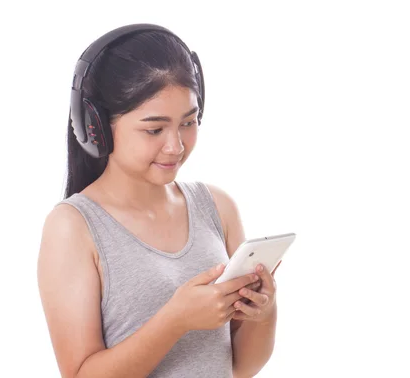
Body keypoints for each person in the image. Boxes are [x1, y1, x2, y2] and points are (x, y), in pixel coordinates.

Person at [37, 24, 281, 378]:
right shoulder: (73, 227)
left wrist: (264, 311)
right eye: (154, 129)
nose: (176, 146)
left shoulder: (217, 207)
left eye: (188, 122)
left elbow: (242, 367)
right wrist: (175, 321)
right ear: (97, 128)